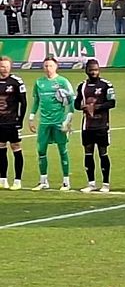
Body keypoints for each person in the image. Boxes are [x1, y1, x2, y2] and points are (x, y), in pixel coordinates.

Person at [29, 56, 74, 191]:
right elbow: (36, 101)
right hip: (44, 122)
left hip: (59, 122)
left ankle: (66, 181)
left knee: (62, 150)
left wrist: (67, 121)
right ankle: (43, 181)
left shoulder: (63, 82)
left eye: (50, 66)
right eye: (46, 66)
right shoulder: (39, 83)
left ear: (56, 67)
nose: (48, 68)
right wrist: (31, 118)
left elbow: (71, 101)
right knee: (41, 150)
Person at [74, 59, 116, 193]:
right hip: (87, 126)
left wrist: (96, 107)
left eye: (96, 70)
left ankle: (105, 183)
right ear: (86, 71)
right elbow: (76, 104)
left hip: (102, 125)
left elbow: (112, 103)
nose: (93, 72)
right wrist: (83, 107)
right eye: (91, 70)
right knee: (88, 153)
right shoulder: (82, 86)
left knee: (103, 153)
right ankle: (91, 183)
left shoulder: (106, 85)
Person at [0, 56, 27, 190]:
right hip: (0, 123)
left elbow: (24, 102)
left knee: (16, 148)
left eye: (5, 66)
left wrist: (20, 120)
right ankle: (2, 179)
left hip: (12, 122)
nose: (3, 68)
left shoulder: (16, 82)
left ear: (10, 67)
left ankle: (17, 180)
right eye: (1, 66)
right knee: (1, 150)